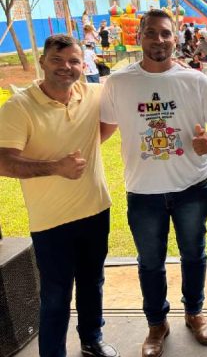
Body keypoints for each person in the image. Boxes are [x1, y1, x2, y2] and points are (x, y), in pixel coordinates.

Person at [100, 9, 207, 357]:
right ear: (139, 35)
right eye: (151, 33)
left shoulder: (196, 81)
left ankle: (194, 313)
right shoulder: (118, 83)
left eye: (166, 34)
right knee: (150, 262)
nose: (159, 40)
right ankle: (157, 324)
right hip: (143, 192)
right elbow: (100, 132)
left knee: (193, 254)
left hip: (190, 186)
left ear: (176, 36)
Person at [0, 34, 119, 357]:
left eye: (73, 61)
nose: (66, 68)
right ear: (42, 62)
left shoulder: (91, 93)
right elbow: (3, 161)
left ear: (83, 64)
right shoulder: (19, 107)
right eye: (57, 60)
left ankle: (92, 339)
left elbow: (119, 98)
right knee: (56, 294)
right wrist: (56, 167)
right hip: (51, 222)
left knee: (93, 283)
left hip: (95, 210)